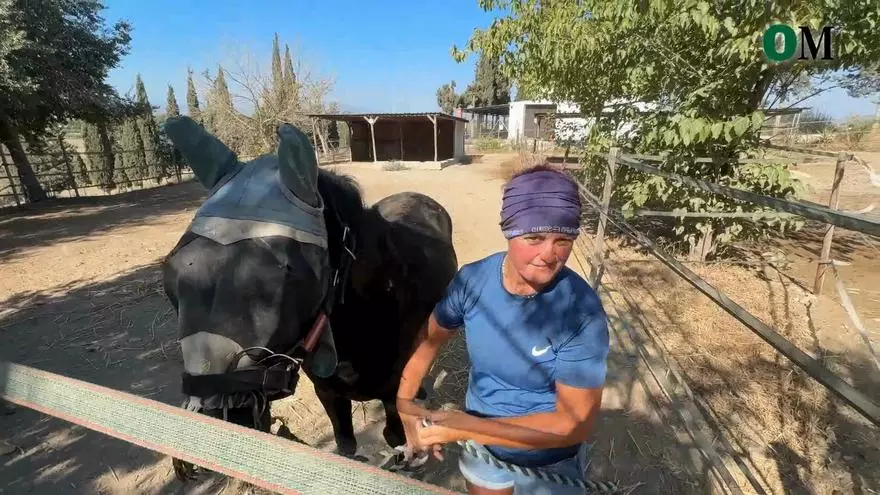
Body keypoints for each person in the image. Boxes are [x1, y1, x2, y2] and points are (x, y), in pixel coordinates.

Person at [395, 164, 610, 495]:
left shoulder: (579, 311)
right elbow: (429, 339)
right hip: (484, 454)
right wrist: (404, 402)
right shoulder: (472, 282)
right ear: (509, 231)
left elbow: (573, 424)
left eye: (563, 240)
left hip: (549, 462)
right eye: (534, 238)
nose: (549, 255)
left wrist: (469, 428)